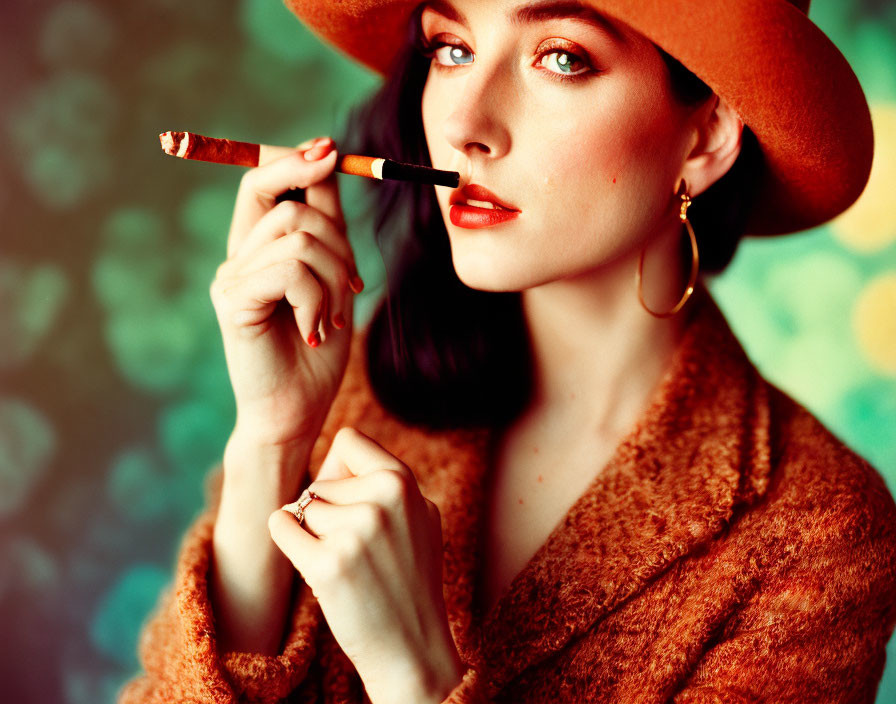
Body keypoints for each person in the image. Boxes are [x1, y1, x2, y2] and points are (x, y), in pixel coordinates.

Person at [119, 1, 896, 702]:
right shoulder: (348, 385)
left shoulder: (817, 534)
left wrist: (414, 676)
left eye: (561, 56)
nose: (464, 124)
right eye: (451, 47)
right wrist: (271, 439)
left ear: (709, 136)